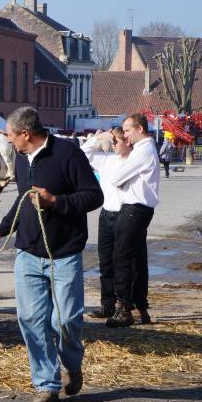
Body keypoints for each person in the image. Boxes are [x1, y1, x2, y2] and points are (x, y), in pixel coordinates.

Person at [0, 107, 103, 402]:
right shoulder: (22, 161)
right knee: (31, 319)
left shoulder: (68, 154)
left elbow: (94, 196)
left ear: (26, 134)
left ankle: (72, 365)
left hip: (64, 253)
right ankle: (47, 385)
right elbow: (23, 200)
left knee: (66, 321)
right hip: (28, 252)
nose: (9, 142)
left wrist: (56, 202)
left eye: (11, 137)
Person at [102, 113, 160, 328]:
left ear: (140, 129)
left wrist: (122, 181)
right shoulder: (145, 150)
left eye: (127, 131)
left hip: (135, 208)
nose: (125, 136)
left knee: (122, 257)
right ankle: (140, 306)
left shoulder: (142, 151)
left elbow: (115, 178)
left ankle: (124, 308)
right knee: (136, 257)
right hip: (139, 208)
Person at [81, 128, 133, 320]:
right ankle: (107, 305)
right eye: (112, 142)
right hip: (106, 214)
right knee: (105, 262)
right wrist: (97, 138)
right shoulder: (107, 160)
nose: (113, 145)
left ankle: (124, 304)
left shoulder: (135, 160)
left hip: (125, 213)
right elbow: (84, 153)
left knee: (122, 262)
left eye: (116, 141)